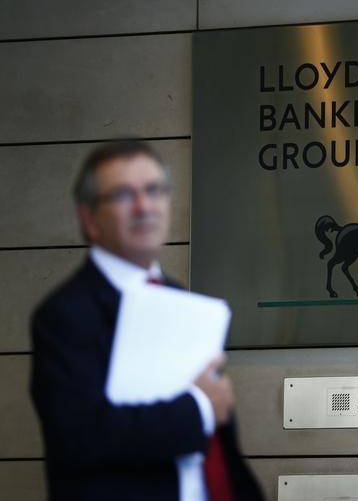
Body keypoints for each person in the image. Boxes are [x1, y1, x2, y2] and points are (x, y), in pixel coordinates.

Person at [30, 140, 264, 501]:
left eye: (153, 190)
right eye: (124, 195)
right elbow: (83, 436)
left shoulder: (183, 301)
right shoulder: (63, 316)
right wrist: (200, 407)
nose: (144, 206)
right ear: (89, 219)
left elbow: (220, 448)